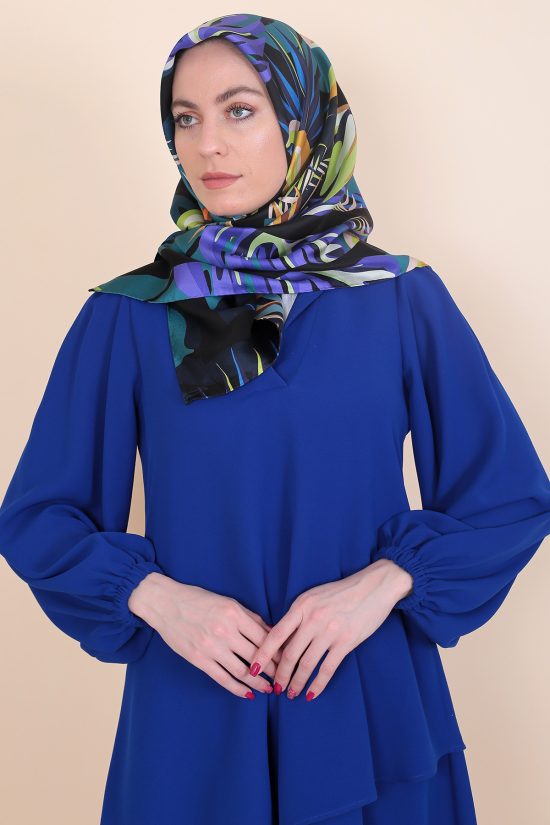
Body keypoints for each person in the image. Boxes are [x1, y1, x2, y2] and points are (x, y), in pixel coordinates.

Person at [1, 12, 549, 825]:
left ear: (302, 122)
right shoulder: (130, 314)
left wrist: (379, 585)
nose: (208, 145)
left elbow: (506, 496)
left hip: (367, 706)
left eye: (239, 110)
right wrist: (157, 597)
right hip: (195, 709)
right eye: (186, 118)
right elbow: (41, 514)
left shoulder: (401, 299)